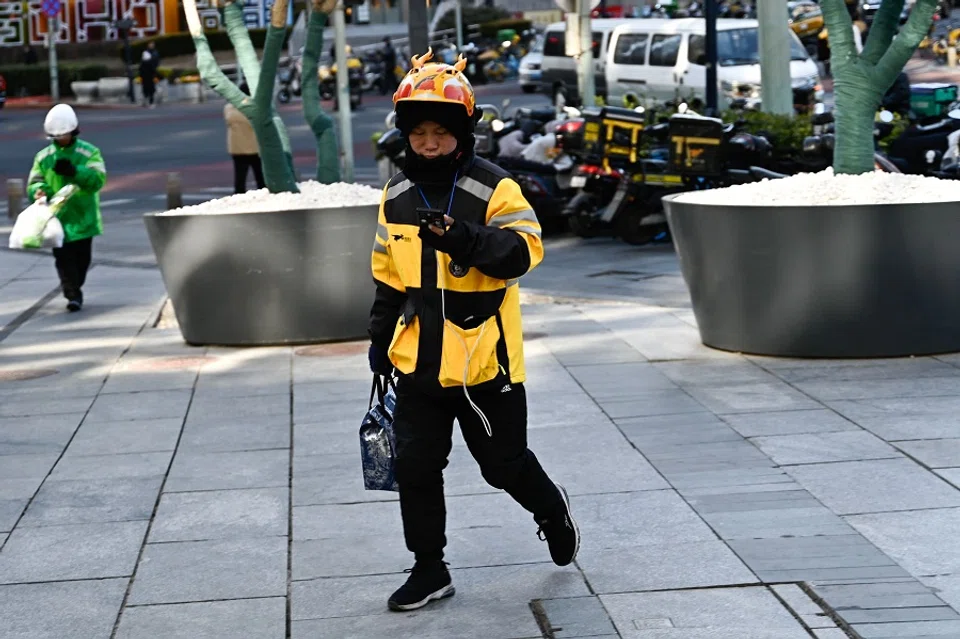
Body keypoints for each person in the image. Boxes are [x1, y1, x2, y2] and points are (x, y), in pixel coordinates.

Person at [367, 50, 580, 613]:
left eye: (441, 132)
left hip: (487, 361)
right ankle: (429, 568)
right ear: (405, 136)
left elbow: (523, 252)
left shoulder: (495, 189)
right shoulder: (395, 197)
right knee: (415, 467)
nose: (430, 143)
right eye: (419, 133)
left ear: (462, 133)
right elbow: (388, 277)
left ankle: (550, 509)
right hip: (420, 361)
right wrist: (378, 340)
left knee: (502, 465)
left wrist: (463, 238)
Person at [26, 104, 107, 312]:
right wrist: (38, 190)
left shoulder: (89, 152)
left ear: (73, 131)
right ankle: (72, 295)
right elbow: (35, 181)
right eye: (56, 136)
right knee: (63, 261)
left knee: (82, 260)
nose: (60, 139)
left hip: (82, 217)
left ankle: (75, 286)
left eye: (63, 135)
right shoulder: (44, 157)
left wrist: (74, 171)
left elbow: (97, 180)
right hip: (57, 219)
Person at [224, 83, 265, 193]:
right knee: (261, 179)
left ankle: (238, 200)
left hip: (237, 149)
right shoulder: (256, 108)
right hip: (255, 148)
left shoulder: (229, 108)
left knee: (240, 180)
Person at [139, 41, 160, 108]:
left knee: (151, 88)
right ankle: (146, 100)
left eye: (152, 45)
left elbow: (156, 63)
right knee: (145, 87)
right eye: (150, 44)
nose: (151, 46)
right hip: (145, 74)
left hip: (151, 73)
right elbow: (142, 64)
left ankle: (151, 101)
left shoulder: (155, 53)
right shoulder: (145, 53)